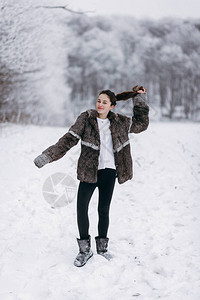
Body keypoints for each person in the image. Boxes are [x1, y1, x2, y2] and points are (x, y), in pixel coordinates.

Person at [34, 85, 149, 267]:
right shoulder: (86, 119)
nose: (100, 104)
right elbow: (68, 139)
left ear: (112, 106)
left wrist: (140, 98)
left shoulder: (120, 122)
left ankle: (102, 249)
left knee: (103, 210)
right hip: (89, 172)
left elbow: (141, 124)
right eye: (98, 101)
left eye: (105, 102)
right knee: (82, 208)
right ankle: (84, 250)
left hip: (109, 172)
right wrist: (48, 156)